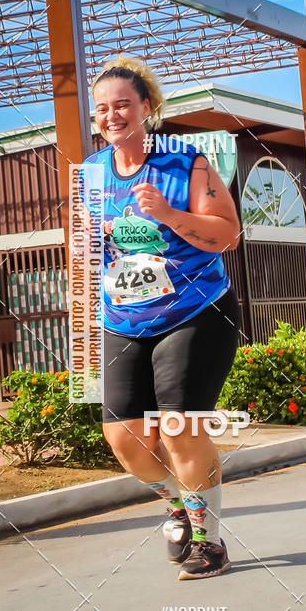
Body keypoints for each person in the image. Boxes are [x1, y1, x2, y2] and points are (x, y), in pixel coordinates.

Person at [83, 55, 240, 580]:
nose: (112, 116)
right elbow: (82, 251)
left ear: (146, 107)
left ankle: (208, 542)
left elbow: (227, 234)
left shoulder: (184, 161)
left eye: (123, 104)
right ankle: (178, 503)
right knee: (124, 438)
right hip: (123, 318)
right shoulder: (91, 174)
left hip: (194, 311)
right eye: (103, 108)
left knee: (178, 427)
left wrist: (170, 215)